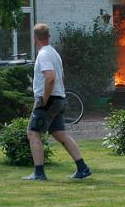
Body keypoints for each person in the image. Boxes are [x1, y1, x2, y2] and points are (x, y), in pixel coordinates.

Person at [23, 23, 92, 181]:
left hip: (49, 99)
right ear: (48, 37)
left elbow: (51, 77)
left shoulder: (43, 55)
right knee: (60, 133)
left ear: (35, 38)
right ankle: (83, 168)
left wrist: (44, 99)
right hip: (60, 97)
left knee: (33, 133)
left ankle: (38, 173)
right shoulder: (54, 53)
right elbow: (62, 78)